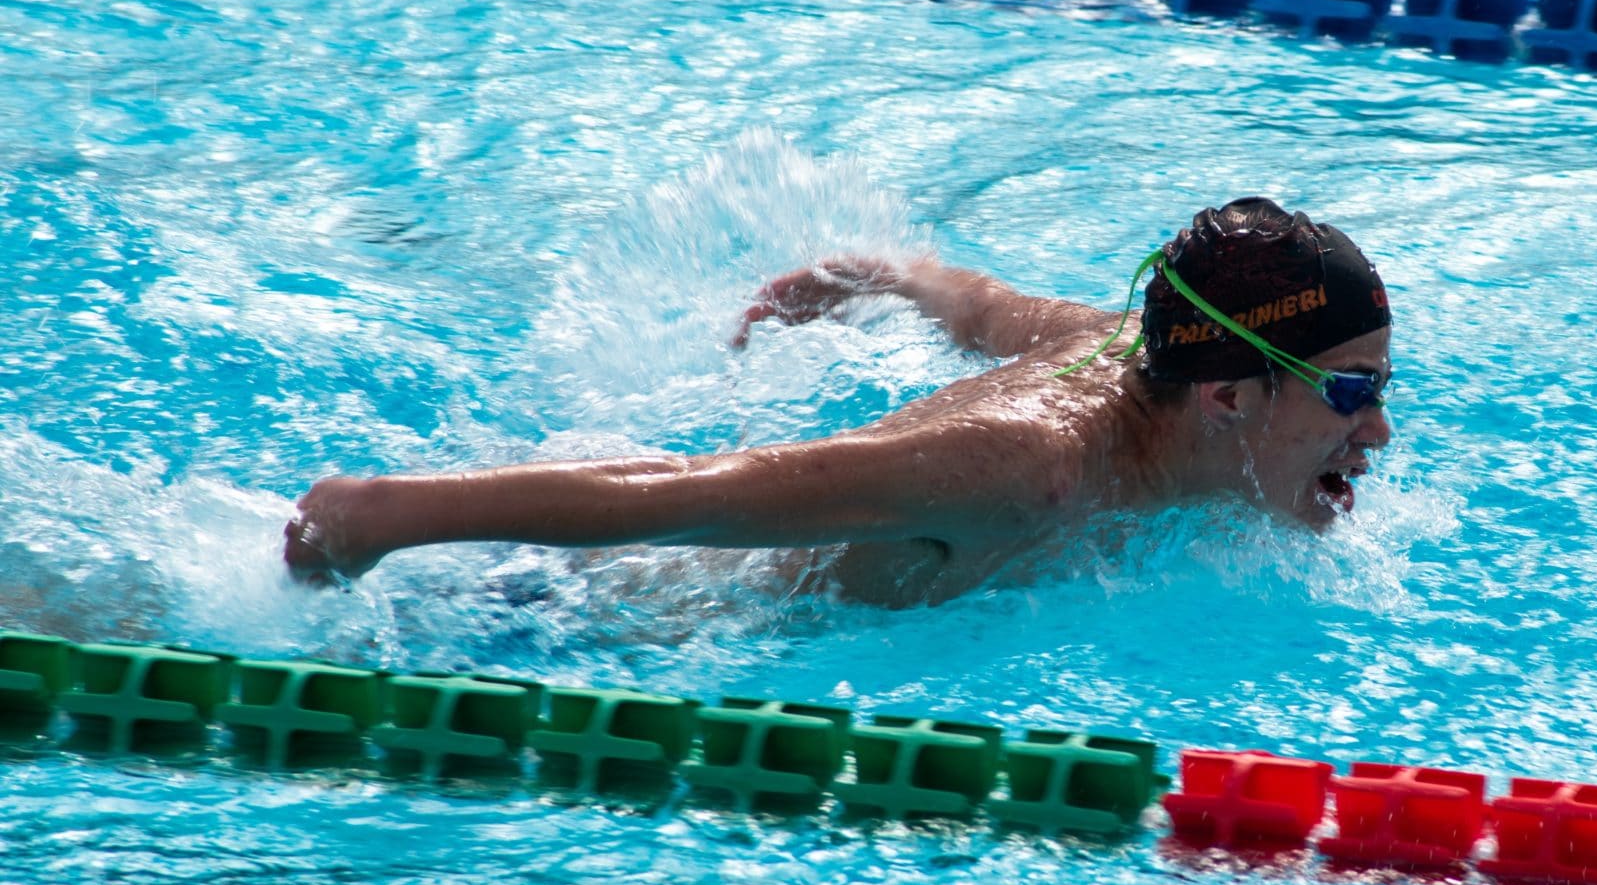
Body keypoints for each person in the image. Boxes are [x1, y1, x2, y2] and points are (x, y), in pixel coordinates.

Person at [283, 196, 1396, 606]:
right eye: (1350, 391)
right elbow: (706, 496)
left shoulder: (1125, 345)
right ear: (1226, 395)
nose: (1376, 432)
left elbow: (978, 301)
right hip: (586, 621)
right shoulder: (1024, 467)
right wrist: (390, 517)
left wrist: (881, 275)